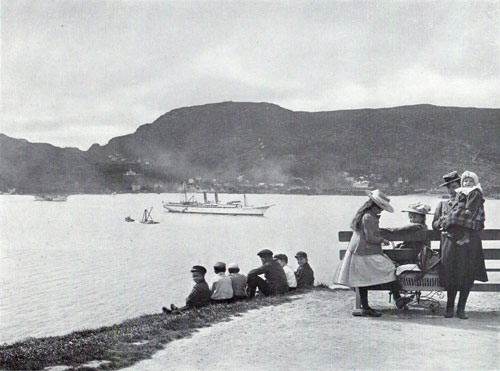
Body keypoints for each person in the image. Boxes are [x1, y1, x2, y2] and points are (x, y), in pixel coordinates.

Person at [333, 189, 411, 317]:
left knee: (363, 279)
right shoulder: (368, 217)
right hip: (363, 251)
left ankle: (369, 306)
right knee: (389, 269)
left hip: (361, 251)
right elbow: (370, 238)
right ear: (373, 206)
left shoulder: (367, 215)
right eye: (380, 208)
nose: (381, 211)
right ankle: (395, 299)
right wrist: (382, 240)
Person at [438, 171, 488, 319]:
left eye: (454, 186)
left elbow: (479, 221)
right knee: (451, 273)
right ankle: (449, 308)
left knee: (468, 275)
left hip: (470, 244)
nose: (452, 190)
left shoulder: (475, 196)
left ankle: (461, 309)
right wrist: (447, 221)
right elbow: (440, 223)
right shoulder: (446, 204)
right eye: (449, 188)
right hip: (452, 242)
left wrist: (456, 222)